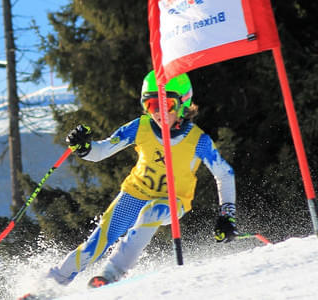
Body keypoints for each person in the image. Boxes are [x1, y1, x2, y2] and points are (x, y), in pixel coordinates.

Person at [48, 70, 237, 287]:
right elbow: (100, 151)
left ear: (184, 104)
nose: (159, 113)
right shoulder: (141, 127)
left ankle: (111, 274)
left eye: (166, 105)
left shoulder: (198, 140)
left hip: (174, 201)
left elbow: (224, 174)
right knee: (95, 245)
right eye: (151, 106)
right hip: (135, 194)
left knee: (152, 211)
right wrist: (84, 148)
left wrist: (227, 215)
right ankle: (50, 284)